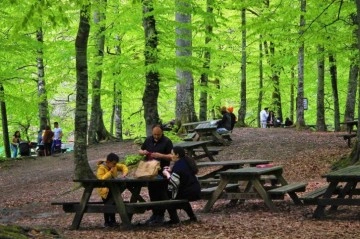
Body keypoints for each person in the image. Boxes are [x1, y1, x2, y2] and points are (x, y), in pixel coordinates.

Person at [138, 124, 174, 225]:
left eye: (158, 134)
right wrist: (142, 152)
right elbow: (140, 150)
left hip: (162, 171)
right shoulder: (148, 140)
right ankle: (154, 214)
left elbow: (172, 157)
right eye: (154, 134)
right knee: (152, 192)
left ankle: (160, 215)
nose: (156, 136)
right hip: (149, 171)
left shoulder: (167, 141)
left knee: (161, 193)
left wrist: (160, 155)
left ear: (162, 132)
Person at [162, 146, 200, 224]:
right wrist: (172, 170)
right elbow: (182, 174)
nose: (170, 155)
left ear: (177, 155)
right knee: (179, 198)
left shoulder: (178, 166)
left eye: (172, 154)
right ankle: (192, 217)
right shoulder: (185, 161)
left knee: (167, 197)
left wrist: (167, 174)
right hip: (195, 189)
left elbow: (174, 183)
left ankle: (174, 220)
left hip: (188, 191)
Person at [96, 153, 128, 227]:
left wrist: (124, 173)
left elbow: (123, 166)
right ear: (108, 162)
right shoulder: (101, 168)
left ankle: (113, 221)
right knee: (107, 205)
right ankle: (107, 222)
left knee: (113, 203)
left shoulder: (114, 166)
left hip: (113, 188)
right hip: (104, 190)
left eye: (115, 164)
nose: (114, 165)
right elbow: (101, 179)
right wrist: (110, 172)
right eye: (113, 163)